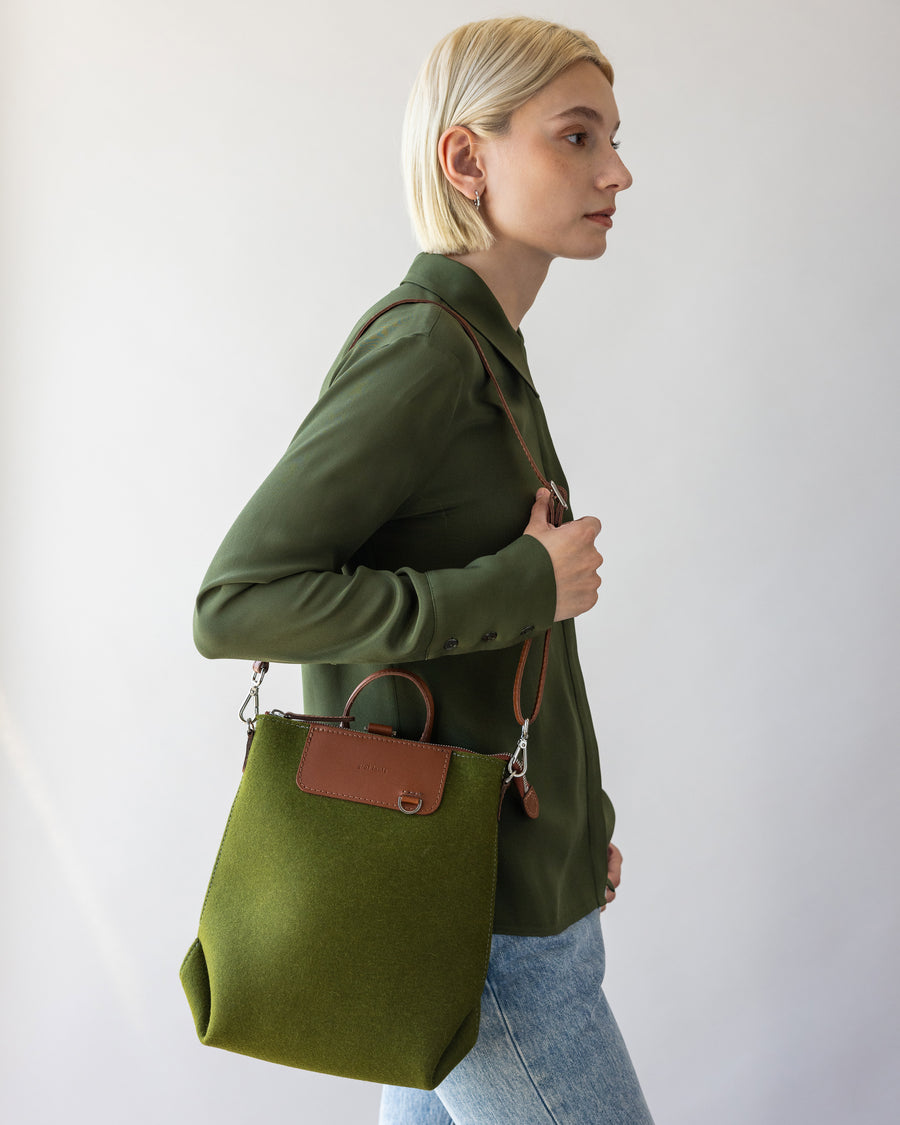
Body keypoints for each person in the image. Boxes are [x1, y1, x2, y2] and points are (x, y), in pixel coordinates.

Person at [193, 15, 653, 1125]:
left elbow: (512, 670)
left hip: (483, 887)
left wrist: (577, 826)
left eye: (614, 139)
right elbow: (237, 601)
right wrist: (519, 586)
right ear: (466, 157)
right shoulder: (427, 352)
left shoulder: (486, 353)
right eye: (578, 138)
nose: (618, 172)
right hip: (473, 920)